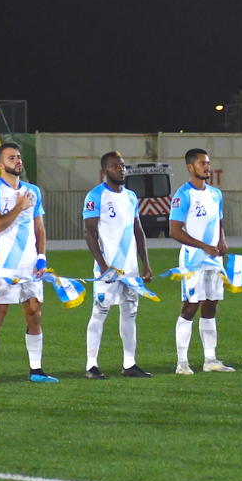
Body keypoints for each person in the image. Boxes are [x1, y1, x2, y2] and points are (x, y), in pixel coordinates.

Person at [0, 142, 58, 386]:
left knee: (34, 313)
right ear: (1, 165)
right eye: (12, 158)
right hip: (5, 266)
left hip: (31, 265)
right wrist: (18, 207)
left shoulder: (33, 190)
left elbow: (39, 227)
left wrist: (42, 256)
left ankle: (36, 370)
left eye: (19, 157)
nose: (18, 161)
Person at [83, 151, 154, 379]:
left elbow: (138, 230)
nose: (121, 169)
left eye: (123, 165)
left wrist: (146, 264)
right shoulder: (96, 196)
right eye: (115, 166)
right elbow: (90, 233)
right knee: (100, 312)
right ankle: (91, 365)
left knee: (130, 312)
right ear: (105, 171)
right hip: (109, 269)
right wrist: (102, 266)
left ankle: (130, 364)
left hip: (130, 269)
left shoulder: (131, 196)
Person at [168, 148, 234, 374]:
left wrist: (222, 240)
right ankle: (182, 362)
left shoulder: (216, 194)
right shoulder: (183, 195)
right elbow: (174, 231)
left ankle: (210, 360)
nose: (207, 167)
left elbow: (219, 221)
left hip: (214, 261)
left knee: (211, 306)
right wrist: (204, 246)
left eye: (208, 163)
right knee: (190, 307)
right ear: (190, 167)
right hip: (193, 261)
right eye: (202, 163)